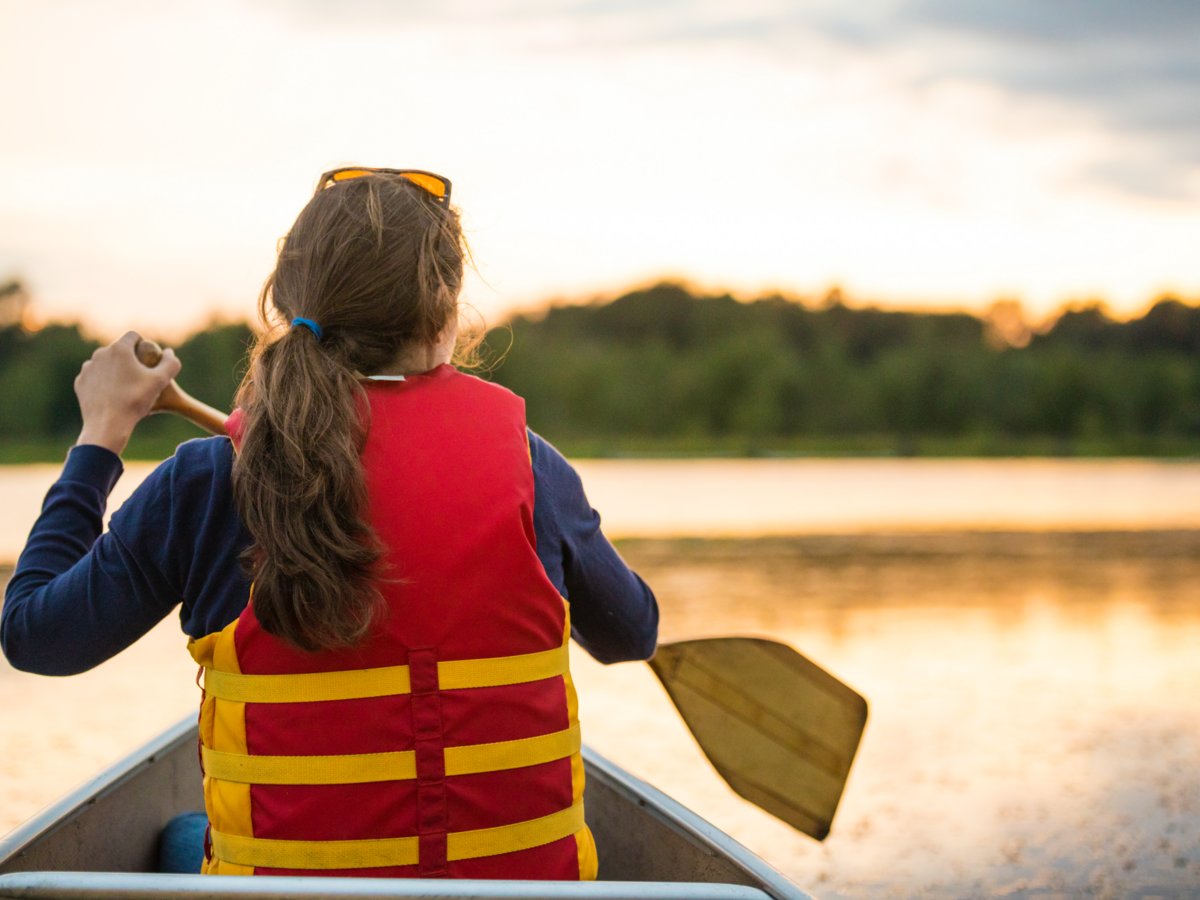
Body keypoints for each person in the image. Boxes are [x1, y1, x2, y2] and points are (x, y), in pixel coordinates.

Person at [1, 168, 658, 880]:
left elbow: (38, 638)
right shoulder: (533, 468)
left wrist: (100, 437)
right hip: (523, 897)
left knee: (183, 832)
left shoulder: (205, 482)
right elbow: (632, 635)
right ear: (446, 313)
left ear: (286, 301)